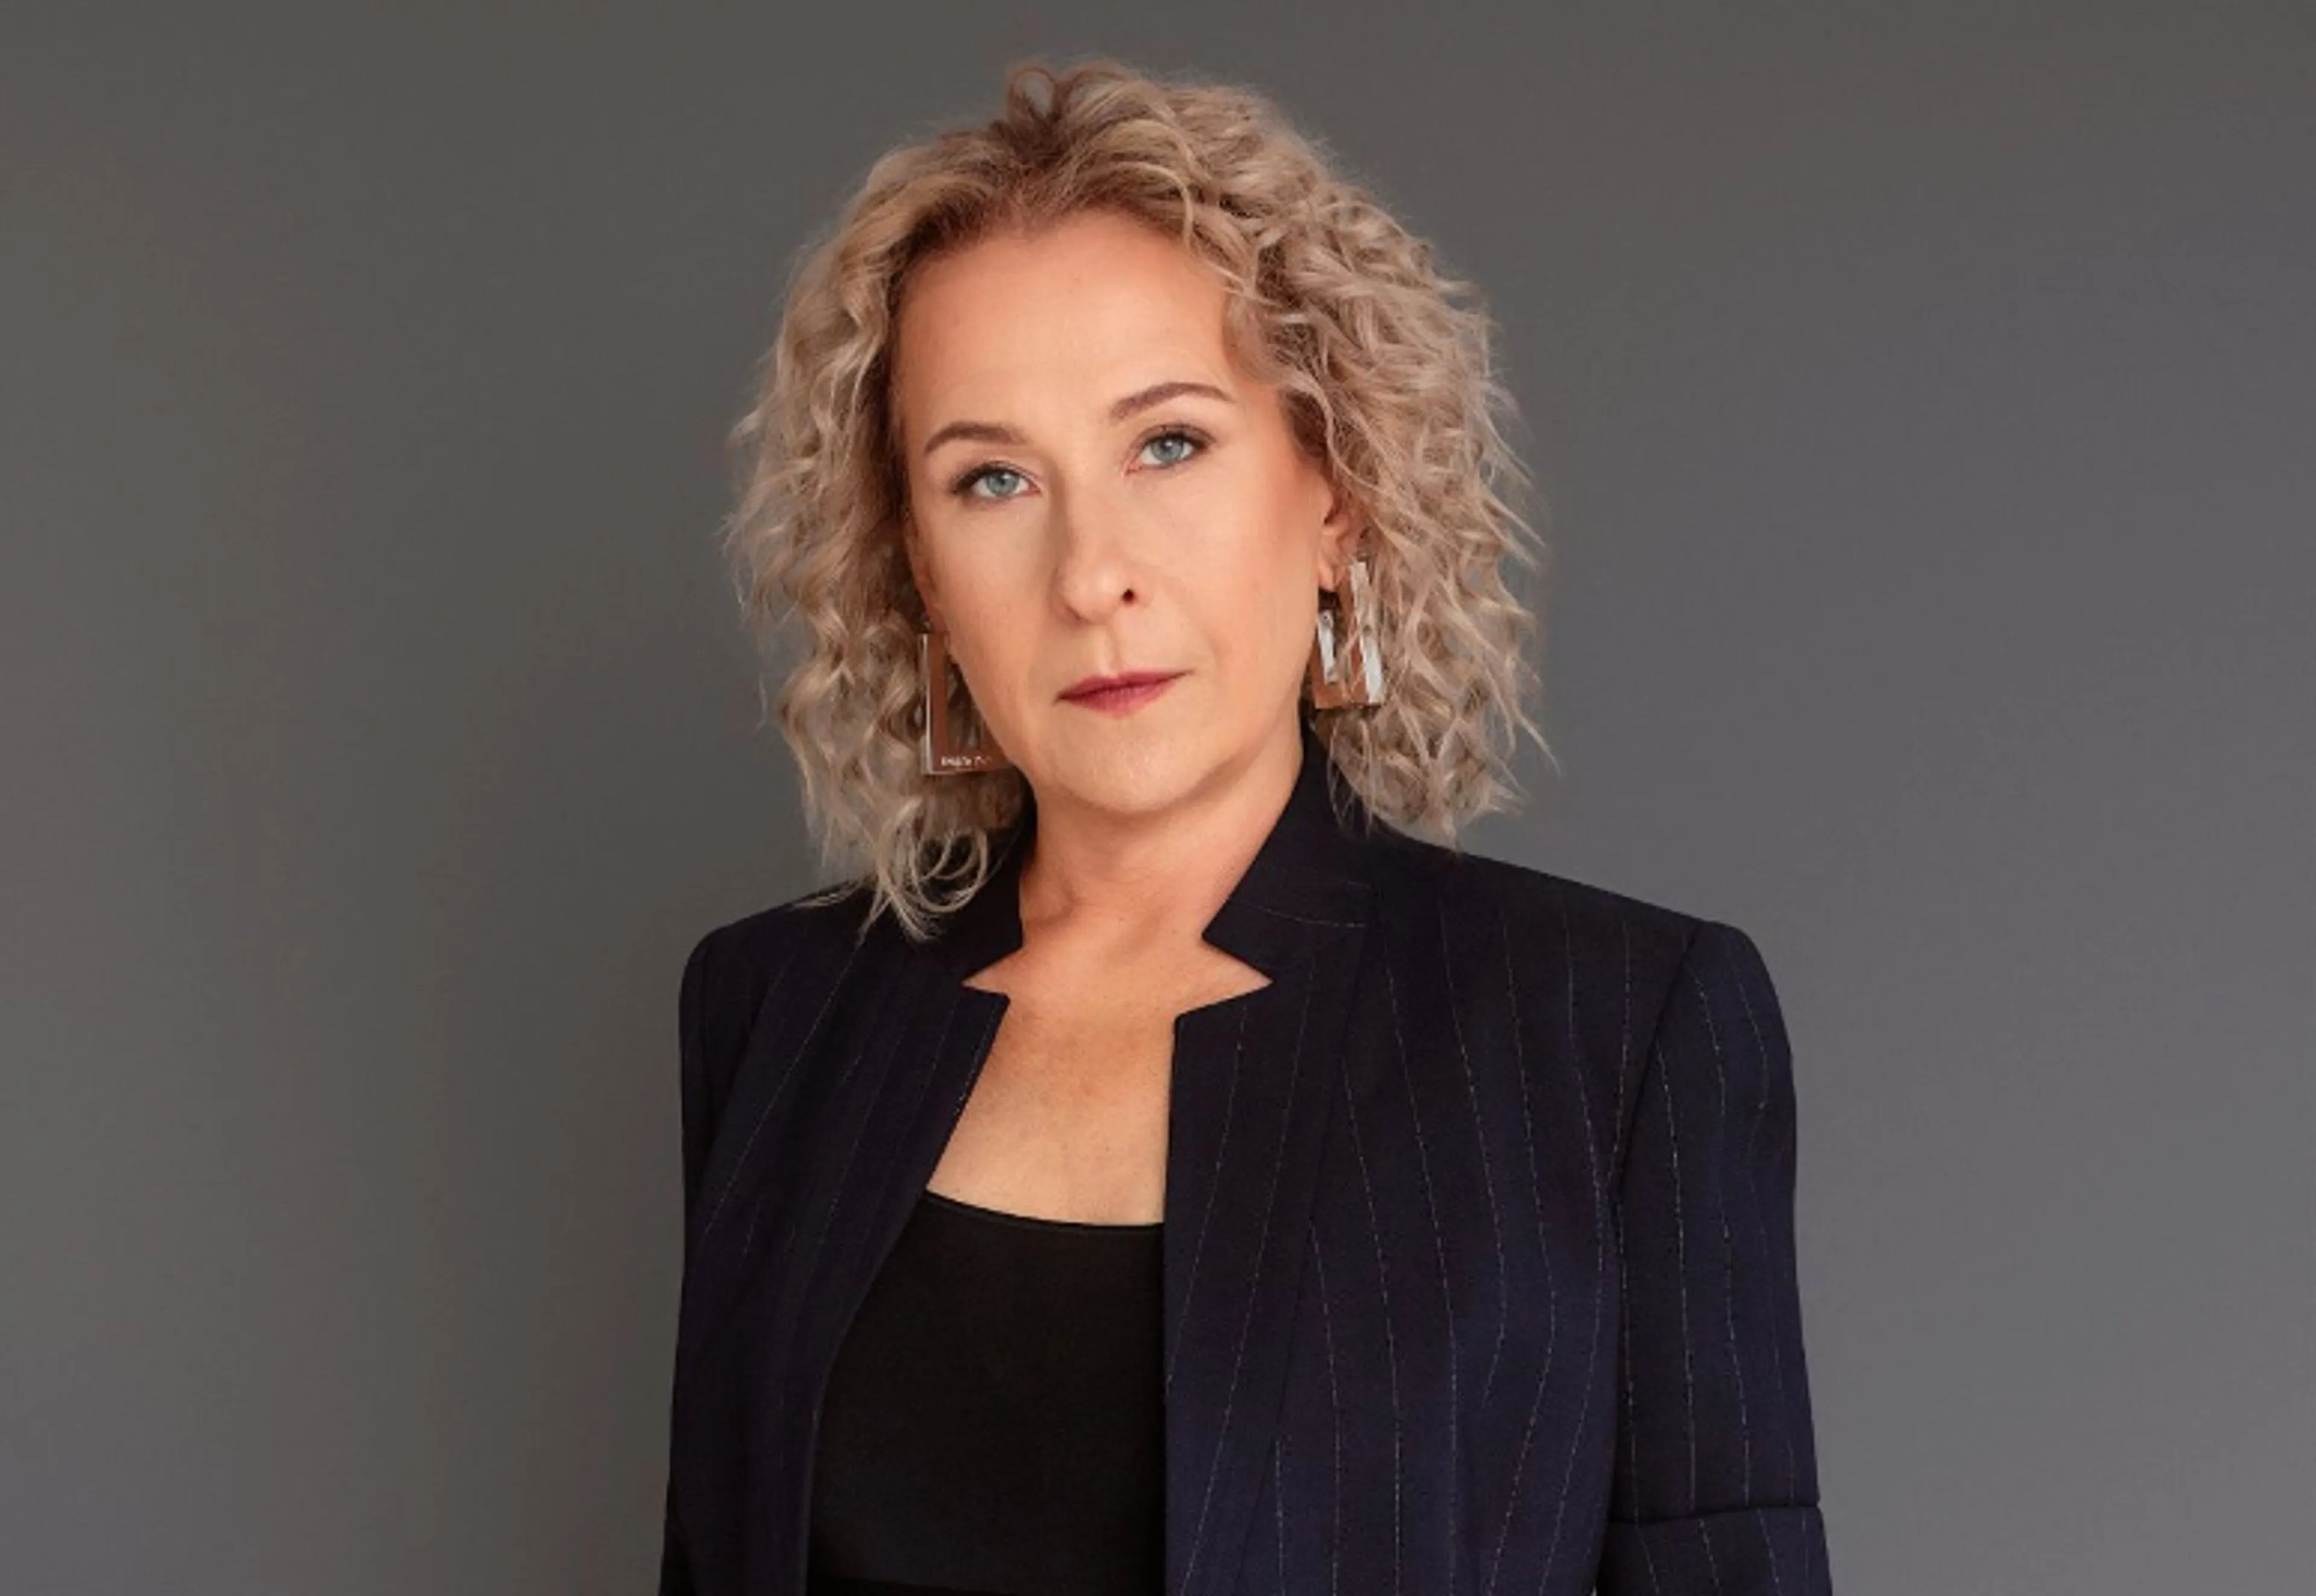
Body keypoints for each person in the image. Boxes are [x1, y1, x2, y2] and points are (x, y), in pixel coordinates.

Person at [660, 57, 1832, 1596]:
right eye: (994, 479)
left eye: (1168, 443)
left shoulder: (1617, 1034)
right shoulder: (775, 1014)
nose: (1093, 574)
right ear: (922, 573)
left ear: (1333, 491)